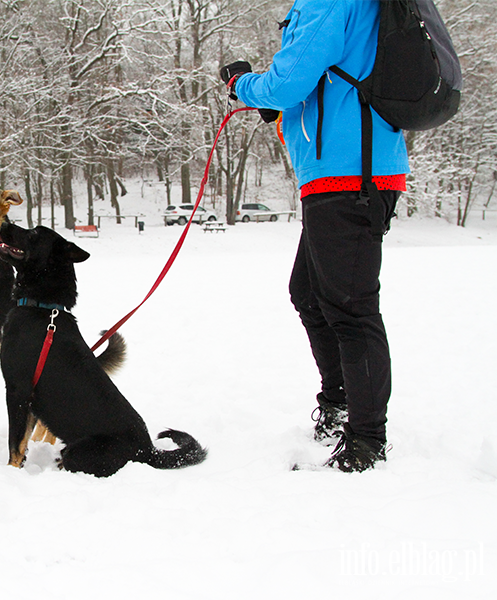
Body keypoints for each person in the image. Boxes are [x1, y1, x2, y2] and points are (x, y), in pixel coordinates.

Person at [220, 0, 409, 472]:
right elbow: (319, 84)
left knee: (350, 308)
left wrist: (241, 85)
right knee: (308, 293)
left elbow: (287, 83)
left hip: (348, 177)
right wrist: (272, 103)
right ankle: (340, 403)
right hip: (342, 173)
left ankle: (366, 439)